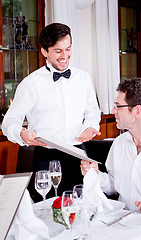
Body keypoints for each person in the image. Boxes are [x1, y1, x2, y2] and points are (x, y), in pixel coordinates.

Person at [2, 23, 101, 201]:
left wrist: (90, 126)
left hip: (79, 155)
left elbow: (93, 112)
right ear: (44, 51)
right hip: (46, 159)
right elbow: (9, 122)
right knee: (47, 211)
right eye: (58, 51)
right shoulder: (30, 84)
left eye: (68, 49)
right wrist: (21, 133)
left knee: (83, 207)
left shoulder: (83, 78)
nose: (65, 56)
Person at [81, 78, 141, 217]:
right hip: (121, 222)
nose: (113, 111)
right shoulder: (119, 144)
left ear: (137, 111)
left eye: (118, 106)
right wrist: (95, 174)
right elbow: (114, 185)